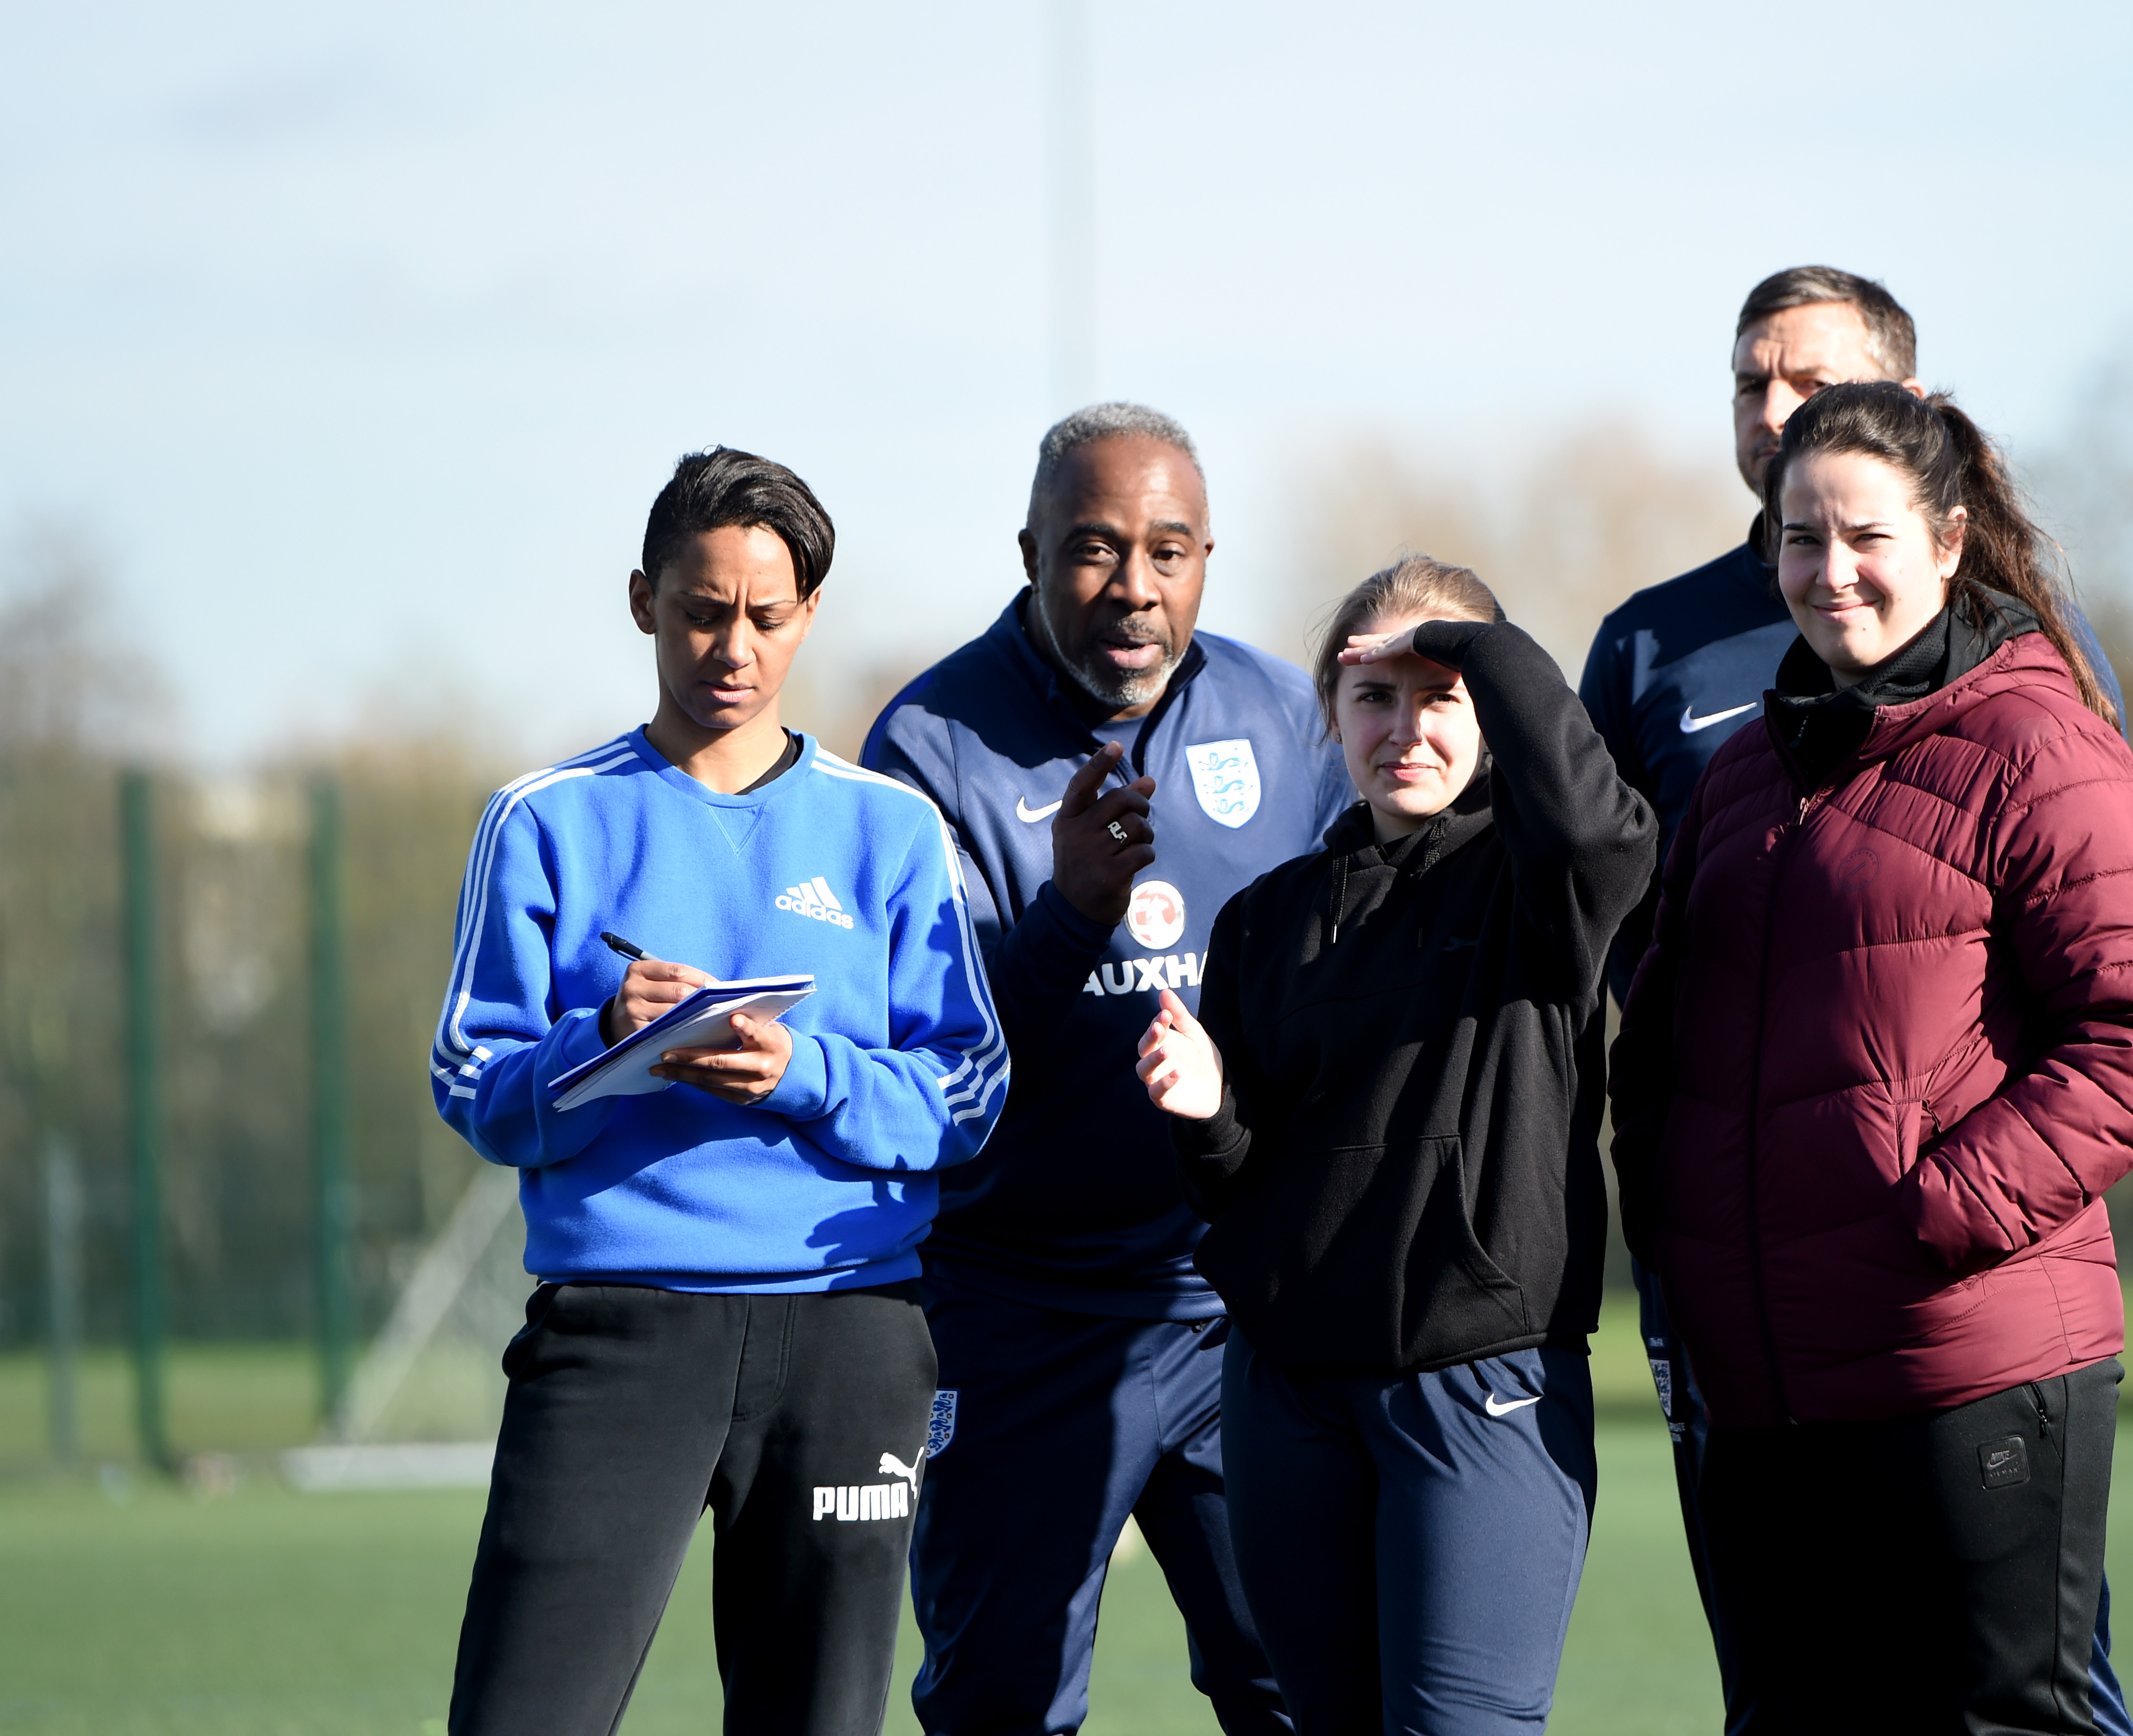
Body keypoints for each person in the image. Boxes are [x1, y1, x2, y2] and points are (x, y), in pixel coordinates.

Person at [1576, 264, 2133, 1734]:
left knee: (2010, 1711)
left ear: (1942, 531)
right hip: (1757, 1340)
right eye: (1748, 382)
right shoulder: (1722, 722)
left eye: (1867, 538)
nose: (1832, 571)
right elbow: (1633, 974)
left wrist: (1932, 1212)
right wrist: (1682, 1226)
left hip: (1955, 1328)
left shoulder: (2031, 704)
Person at [431, 447, 1008, 1735]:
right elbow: (471, 1079)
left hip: (849, 1333)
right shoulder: (543, 819)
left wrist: (803, 1073)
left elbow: (968, 1091)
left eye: (766, 615)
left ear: (809, 615)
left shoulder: (891, 826)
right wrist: (598, 1037)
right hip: (618, 1331)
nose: (733, 647)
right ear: (644, 599)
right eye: (701, 610)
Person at [866, 403, 1345, 1735]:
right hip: (1021, 1307)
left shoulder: (1285, 715)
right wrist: (1071, 915)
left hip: (1240, 1307)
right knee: (1002, 1703)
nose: (1134, 585)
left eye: (1167, 550)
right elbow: (933, 1058)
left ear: (1206, 559)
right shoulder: (928, 745)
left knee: (1306, 1694)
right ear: (1029, 554)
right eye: (1092, 548)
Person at [1138, 555, 1655, 1736]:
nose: (1405, 728)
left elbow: (1598, 822)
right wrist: (1206, 1110)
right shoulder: (1264, 918)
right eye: (1374, 696)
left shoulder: (1537, 883)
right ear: (1332, 711)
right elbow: (1233, 1186)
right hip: (1285, 1396)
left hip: (1480, 1381)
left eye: (1442, 695)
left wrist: (1473, 642)